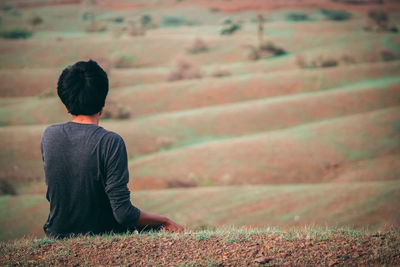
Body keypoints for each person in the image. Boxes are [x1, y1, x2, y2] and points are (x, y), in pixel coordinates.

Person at [41, 60, 183, 238]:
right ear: (103, 102)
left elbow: (55, 194)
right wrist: (164, 220)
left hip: (56, 234)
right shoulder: (110, 142)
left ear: (66, 105)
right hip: (102, 236)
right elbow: (123, 213)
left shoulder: (49, 136)